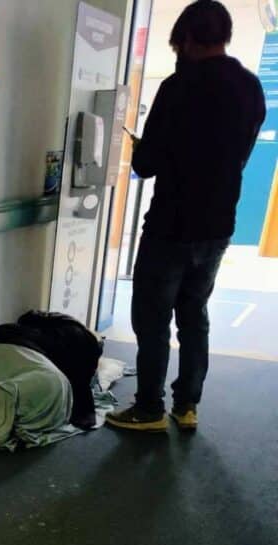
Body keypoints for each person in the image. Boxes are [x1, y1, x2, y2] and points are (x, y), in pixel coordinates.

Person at [107, 0, 266, 433]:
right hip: (217, 228)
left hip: (170, 227)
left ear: (188, 38)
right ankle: (187, 406)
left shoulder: (178, 88)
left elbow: (148, 164)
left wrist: (140, 149)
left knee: (153, 321)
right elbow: (240, 157)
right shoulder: (251, 88)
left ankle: (148, 409)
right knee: (194, 316)